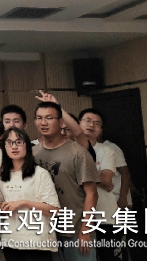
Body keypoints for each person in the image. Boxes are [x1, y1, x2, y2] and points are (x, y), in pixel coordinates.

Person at [32, 101, 99, 261]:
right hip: (46, 231)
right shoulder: (33, 153)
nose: (43, 122)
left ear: (61, 122)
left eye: (49, 118)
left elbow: (92, 194)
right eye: (39, 118)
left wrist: (85, 229)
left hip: (75, 230)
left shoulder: (78, 153)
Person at [0, 127, 59, 261]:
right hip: (11, 240)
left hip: (37, 242)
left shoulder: (40, 174)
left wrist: (23, 203)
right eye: (9, 143)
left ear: (27, 146)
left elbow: (54, 210)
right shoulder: (2, 175)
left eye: (19, 142)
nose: (14, 146)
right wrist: (3, 207)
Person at [78, 109, 120, 261]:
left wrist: (81, 175)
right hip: (77, 216)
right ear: (78, 124)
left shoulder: (106, 150)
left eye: (97, 123)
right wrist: (97, 178)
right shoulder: (70, 149)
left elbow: (106, 179)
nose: (91, 125)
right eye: (88, 120)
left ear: (101, 130)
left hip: (104, 215)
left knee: (106, 256)